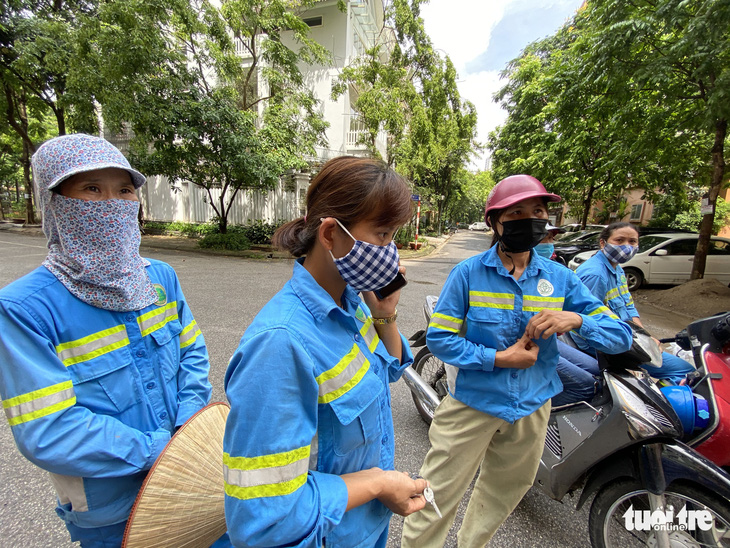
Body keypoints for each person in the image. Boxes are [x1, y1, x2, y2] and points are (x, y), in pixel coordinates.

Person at [0, 134, 212, 547]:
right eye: (91, 189)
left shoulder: (160, 279)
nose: (112, 204)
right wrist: (156, 450)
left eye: (124, 190)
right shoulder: (24, 308)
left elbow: (192, 354)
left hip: (191, 483)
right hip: (111, 513)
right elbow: (48, 429)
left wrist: (188, 428)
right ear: (56, 204)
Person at [401, 174, 632, 547]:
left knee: (503, 493)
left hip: (532, 407)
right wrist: (499, 358)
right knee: (436, 493)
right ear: (495, 221)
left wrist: (577, 319)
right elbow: (441, 339)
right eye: (517, 212)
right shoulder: (468, 274)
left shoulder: (561, 279)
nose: (530, 219)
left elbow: (620, 335)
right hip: (472, 404)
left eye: (538, 211)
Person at [222, 156, 428, 547]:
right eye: (383, 235)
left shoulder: (352, 299)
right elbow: (264, 522)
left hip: (365, 531)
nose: (392, 251)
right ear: (331, 234)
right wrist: (378, 484)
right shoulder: (280, 344)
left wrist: (385, 314)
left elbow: (387, 372)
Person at [573, 221, 695, 384]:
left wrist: (646, 337)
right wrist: (632, 344)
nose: (626, 246)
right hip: (603, 341)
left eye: (632, 242)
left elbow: (628, 307)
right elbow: (583, 318)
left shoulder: (617, 269)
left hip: (622, 335)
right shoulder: (596, 274)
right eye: (619, 240)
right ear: (603, 243)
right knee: (684, 371)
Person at [536, 224, 602, 406]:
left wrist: (579, 320)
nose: (551, 244)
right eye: (546, 238)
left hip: (550, 340)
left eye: (552, 239)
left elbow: (601, 316)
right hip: (529, 347)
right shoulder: (595, 273)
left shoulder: (558, 273)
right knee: (586, 385)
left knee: (598, 370)